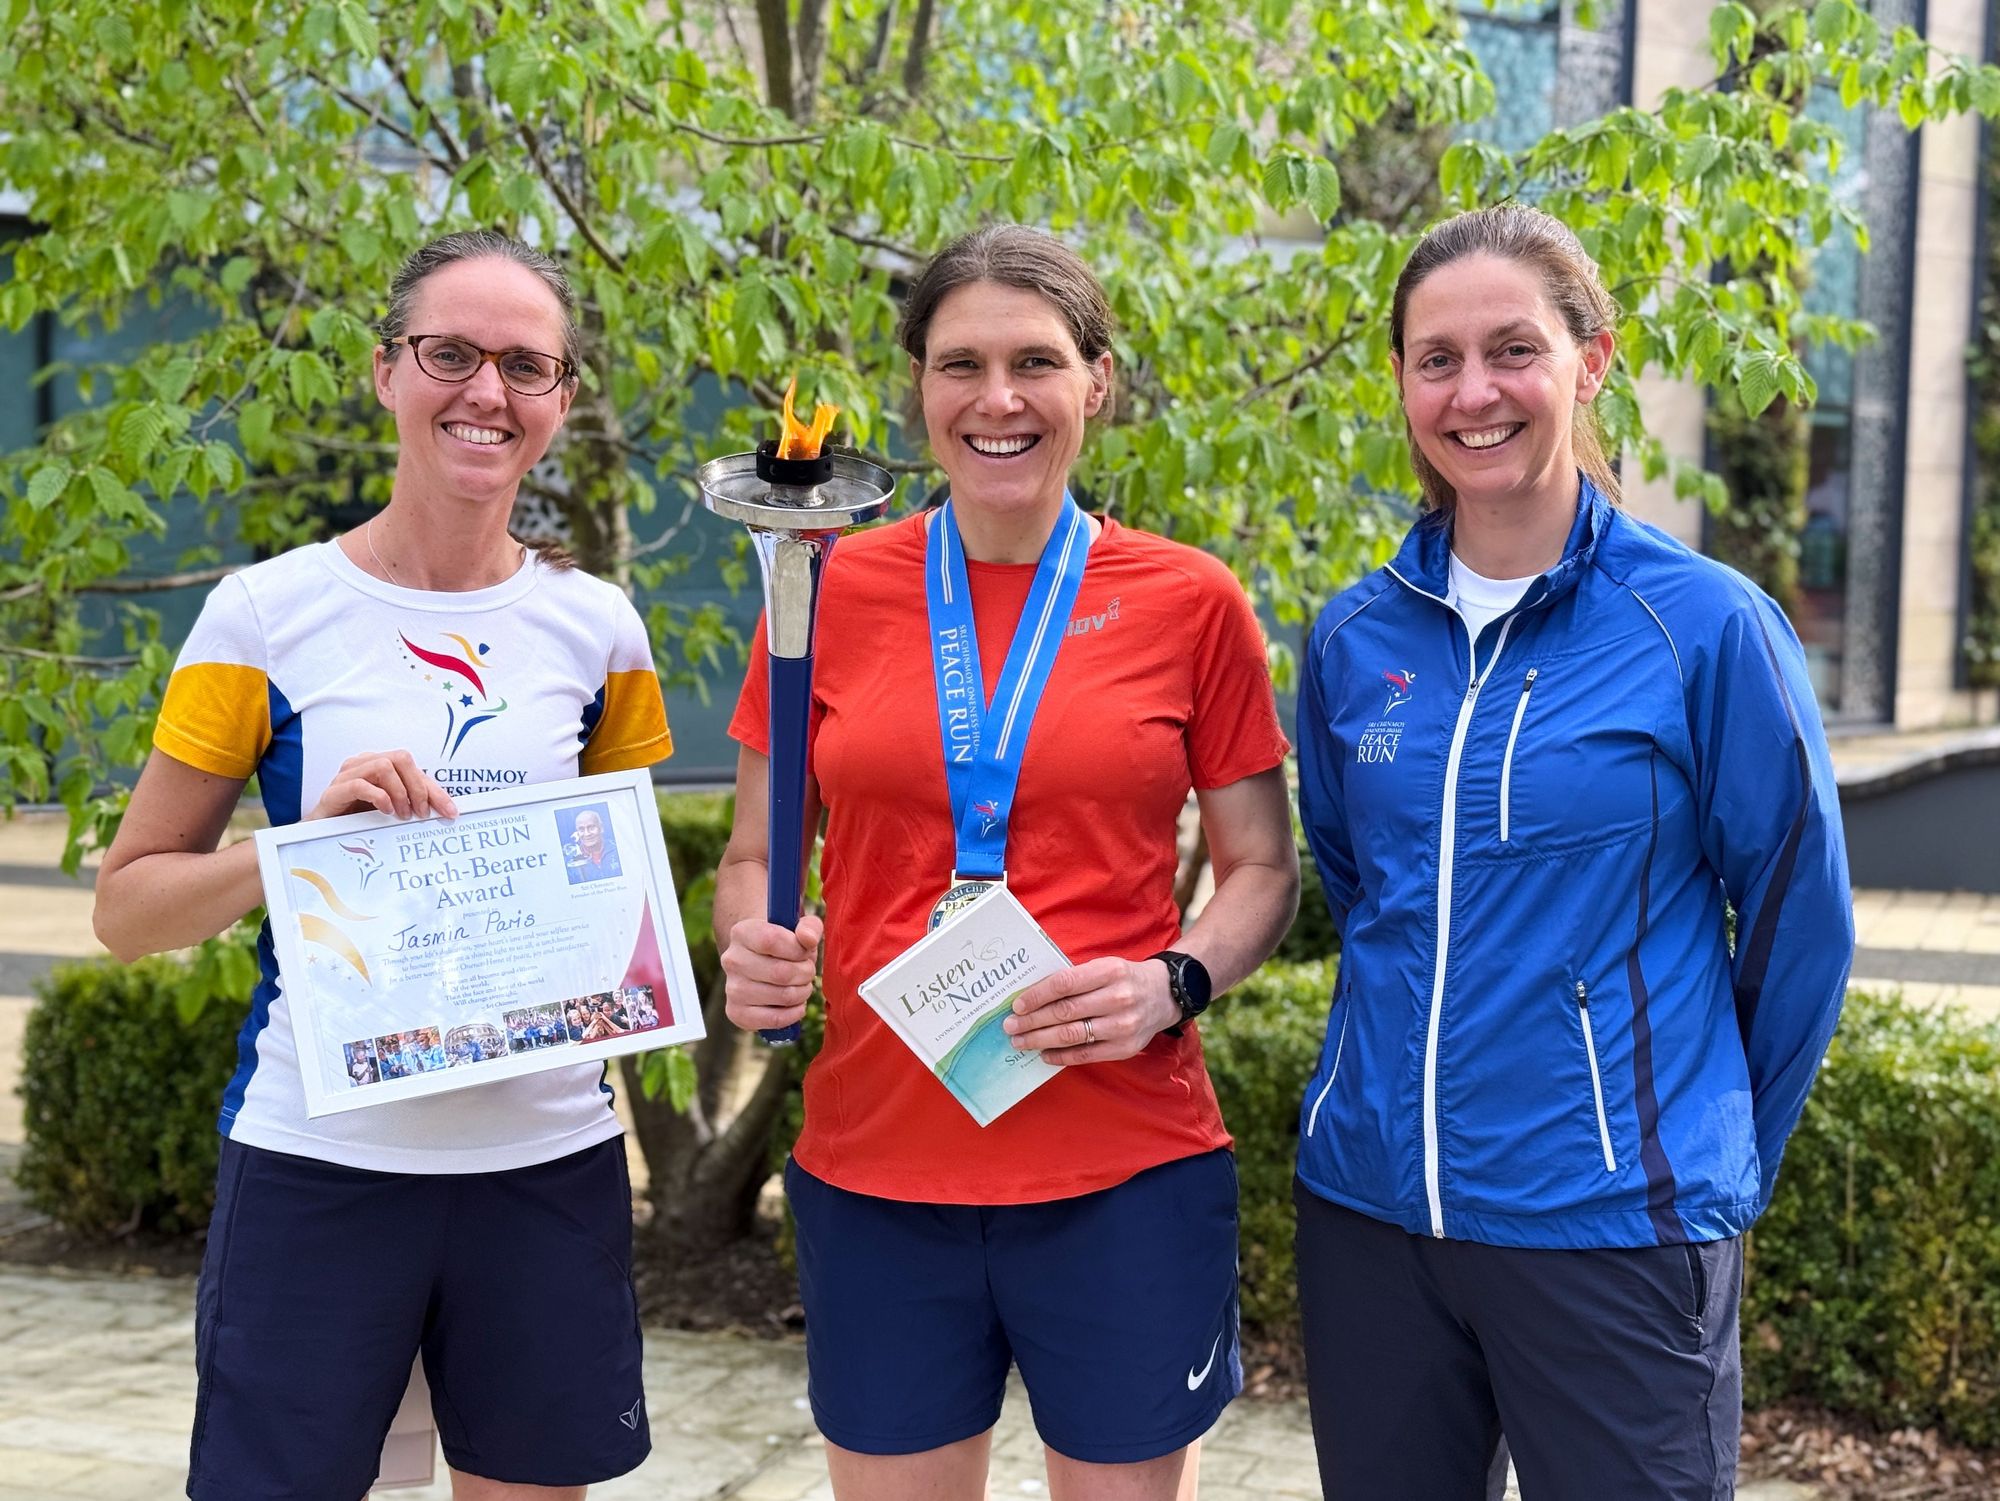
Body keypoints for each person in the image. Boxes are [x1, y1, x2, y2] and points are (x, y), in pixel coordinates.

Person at [715, 224, 1299, 1501]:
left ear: (1097, 381)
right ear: (919, 387)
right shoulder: (820, 591)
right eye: (959, 364)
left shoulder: (1190, 598)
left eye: (1034, 362)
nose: (997, 400)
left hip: (1123, 1165)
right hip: (876, 1165)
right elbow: (755, 853)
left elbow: (1262, 867)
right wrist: (750, 946)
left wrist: (1170, 982)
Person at [92, 230, 673, 1501]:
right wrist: (298, 851)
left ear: (562, 397)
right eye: (449, 353)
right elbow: (126, 909)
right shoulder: (263, 613)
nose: (487, 392)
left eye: (525, 365)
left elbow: (620, 902)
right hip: (319, 1162)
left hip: (545, 1164)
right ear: (384, 371)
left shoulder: (600, 629)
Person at [1291, 202, 1853, 1500]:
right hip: (1371, 1217)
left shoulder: (1703, 625)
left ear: (1589, 363)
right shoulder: (1355, 637)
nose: (1472, 392)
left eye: (1513, 350)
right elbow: (1363, 887)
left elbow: (1799, 928)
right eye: (1436, 359)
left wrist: (1693, 1154)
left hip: (1613, 1234)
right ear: (1402, 384)